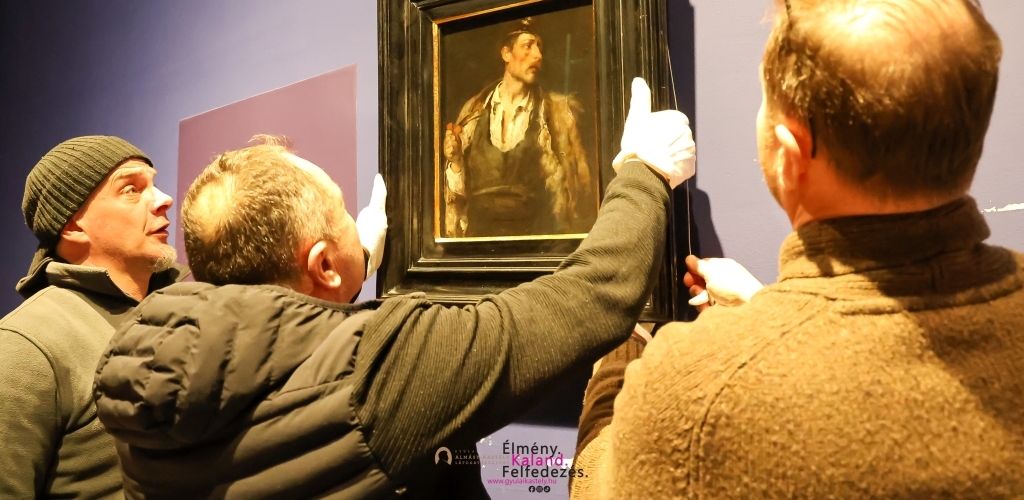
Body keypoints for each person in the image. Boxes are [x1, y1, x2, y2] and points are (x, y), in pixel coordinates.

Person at [92, 79, 696, 499]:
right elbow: (596, 294)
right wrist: (644, 171)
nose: (353, 221)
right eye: (341, 213)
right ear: (321, 266)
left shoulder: (144, 371)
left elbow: (286, 347)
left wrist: (349, 267)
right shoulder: (384, 367)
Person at [571, 0, 1024, 499]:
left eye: (767, 102)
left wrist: (621, 346)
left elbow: (595, 482)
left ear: (788, 155)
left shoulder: (695, 390)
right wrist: (764, 307)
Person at [0, 135, 188, 499]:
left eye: (154, 184)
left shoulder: (186, 313)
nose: (164, 199)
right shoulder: (26, 345)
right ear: (73, 225)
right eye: (131, 189)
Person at [443, 20, 593, 237]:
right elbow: (456, 200)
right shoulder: (472, 113)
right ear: (506, 54)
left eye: (539, 47)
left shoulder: (554, 116)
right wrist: (456, 161)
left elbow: (572, 198)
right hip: (478, 241)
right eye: (528, 46)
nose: (537, 55)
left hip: (533, 241)